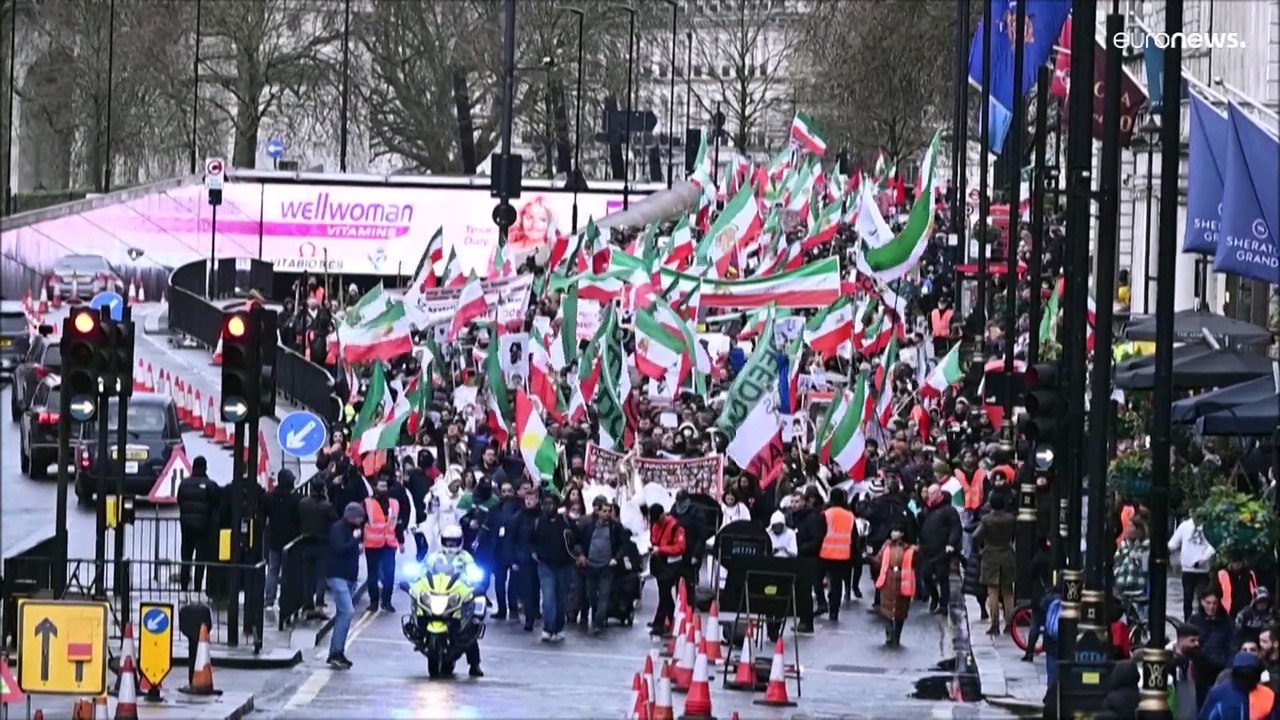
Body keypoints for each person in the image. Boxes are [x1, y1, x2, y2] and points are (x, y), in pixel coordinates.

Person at [417, 524, 484, 677]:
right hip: (438, 593)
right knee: (421, 607)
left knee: (469, 628)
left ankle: (475, 664)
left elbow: (474, 572)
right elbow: (422, 569)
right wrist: (415, 577)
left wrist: (474, 580)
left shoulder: (465, 557)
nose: (451, 545)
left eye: (455, 542)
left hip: (457, 597)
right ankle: (419, 632)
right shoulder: (434, 557)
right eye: (448, 541)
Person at [533, 491, 580, 642]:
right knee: (548, 597)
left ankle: (558, 627)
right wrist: (533, 553)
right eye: (545, 504)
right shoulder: (538, 522)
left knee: (561, 599)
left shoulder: (566, 522)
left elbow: (579, 538)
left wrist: (577, 553)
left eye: (550, 504)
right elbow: (528, 539)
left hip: (565, 566)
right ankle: (548, 627)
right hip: (546, 565)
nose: (548, 507)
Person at [578, 496, 629, 634]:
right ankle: (595, 613)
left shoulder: (615, 527)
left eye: (609, 511)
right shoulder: (588, 525)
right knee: (591, 595)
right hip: (590, 565)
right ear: (599, 512)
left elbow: (623, 545)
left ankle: (599, 622)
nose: (607, 514)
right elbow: (579, 541)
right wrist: (581, 555)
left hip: (606, 566)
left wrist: (616, 558)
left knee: (604, 595)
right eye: (604, 511)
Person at [326, 502, 365, 669]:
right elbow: (340, 548)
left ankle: (337, 651)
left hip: (349, 577)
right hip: (337, 575)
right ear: (350, 516)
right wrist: (354, 540)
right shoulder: (338, 529)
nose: (361, 520)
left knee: (343, 615)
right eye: (358, 517)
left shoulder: (351, 530)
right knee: (347, 612)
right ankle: (336, 652)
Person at [972, 492, 1016, 636]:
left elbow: (975, 536)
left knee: (993, 592)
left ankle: (994, 624)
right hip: (1007, 555)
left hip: (990, 556)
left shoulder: (986, 520)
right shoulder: (1011, 519)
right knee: (1008, 592)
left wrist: (978, 550)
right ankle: (1009, 623)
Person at [177, 455, 221, 594]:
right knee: (200, 560)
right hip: (203, 528)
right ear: (205, 467)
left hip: (186, 528)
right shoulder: (210, 485)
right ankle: (197, 588)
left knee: (186, 558)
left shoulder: (183, 484)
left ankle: (184, 587)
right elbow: (217, 504)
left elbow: (180, 501)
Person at [916, 483, 962, 615]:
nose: (928, 496)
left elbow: (955, 527)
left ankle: (943, 604)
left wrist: (951, 543)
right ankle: (934, 597)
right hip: (927, 548)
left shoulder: (948, 510)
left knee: (942, 576)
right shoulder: (926, 509)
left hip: (942, 549)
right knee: (926, 575)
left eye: (931, 494)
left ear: (938, 494)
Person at [363, 476, 403, 613]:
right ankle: (374, 602)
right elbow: (362, 522)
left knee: (389, 574)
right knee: (373, 575)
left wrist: (401, 541)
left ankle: (387, 601)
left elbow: (398, 523)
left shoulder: (394, 503)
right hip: (372, 544)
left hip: (389, 544)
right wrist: (359, 542)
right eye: (380, 486)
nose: (383, 489)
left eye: (385, 487)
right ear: (375, 488)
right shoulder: (367, 503)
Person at [1197, 652, 1278, 719]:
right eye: (1242, 672)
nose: (1246, 675)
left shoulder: (1267, 695)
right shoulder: (1218, 693)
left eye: (1250, 672)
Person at [647, 503, 687, 640]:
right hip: (659, 563)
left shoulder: (676, 526)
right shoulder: (654, 525)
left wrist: (662, 550)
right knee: (664, 594)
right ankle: (673, 619)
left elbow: (680, 547)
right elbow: (653, 539)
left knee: (664, 595)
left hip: (672, 564)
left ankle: (659, 624)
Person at [263, 468, 301, 610]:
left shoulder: (270, 498)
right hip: (291, 541)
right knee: (288, 572)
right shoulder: (296, 499)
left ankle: (269, 600)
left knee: (272, 570)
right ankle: (285, 601)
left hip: (274, 538)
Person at [298, 478, 335, 619]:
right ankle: (319, 605)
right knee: (321, 577)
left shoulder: (303, 504)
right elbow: (333, 522)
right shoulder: (327, 506)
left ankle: (308, 605)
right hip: (322, 544)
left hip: (306, 543)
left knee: (307, 577)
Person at [875, 520, 917, 647]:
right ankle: (889, 633)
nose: (894, 533)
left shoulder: (909, 549)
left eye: (897, 531)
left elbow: (916, 563)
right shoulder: (886, 546)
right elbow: (878, 560)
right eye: (893, 531)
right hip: (887, 580)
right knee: (885, 608)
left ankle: (897, 634)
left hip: (903, 581)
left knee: (901, 609)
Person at [818, 488, 856, 622]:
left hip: (825, 552)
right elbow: (854, 537)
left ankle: (822, 602)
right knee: (837, 583)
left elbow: (819, 533)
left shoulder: (825, 514)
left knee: (817, 579)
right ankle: (834, 611)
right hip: (843, 554)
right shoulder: (850, 516)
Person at [1169, 515, 1216, 620]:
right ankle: (1188, 622)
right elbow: (1174, 542)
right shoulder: (1185, 526)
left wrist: (1203, 558)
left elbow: (1212, 545)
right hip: (1187, 569)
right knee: (1187, 598)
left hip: (1203, 570)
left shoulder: (1208, 527)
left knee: (1202, 598)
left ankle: (1203, 620)